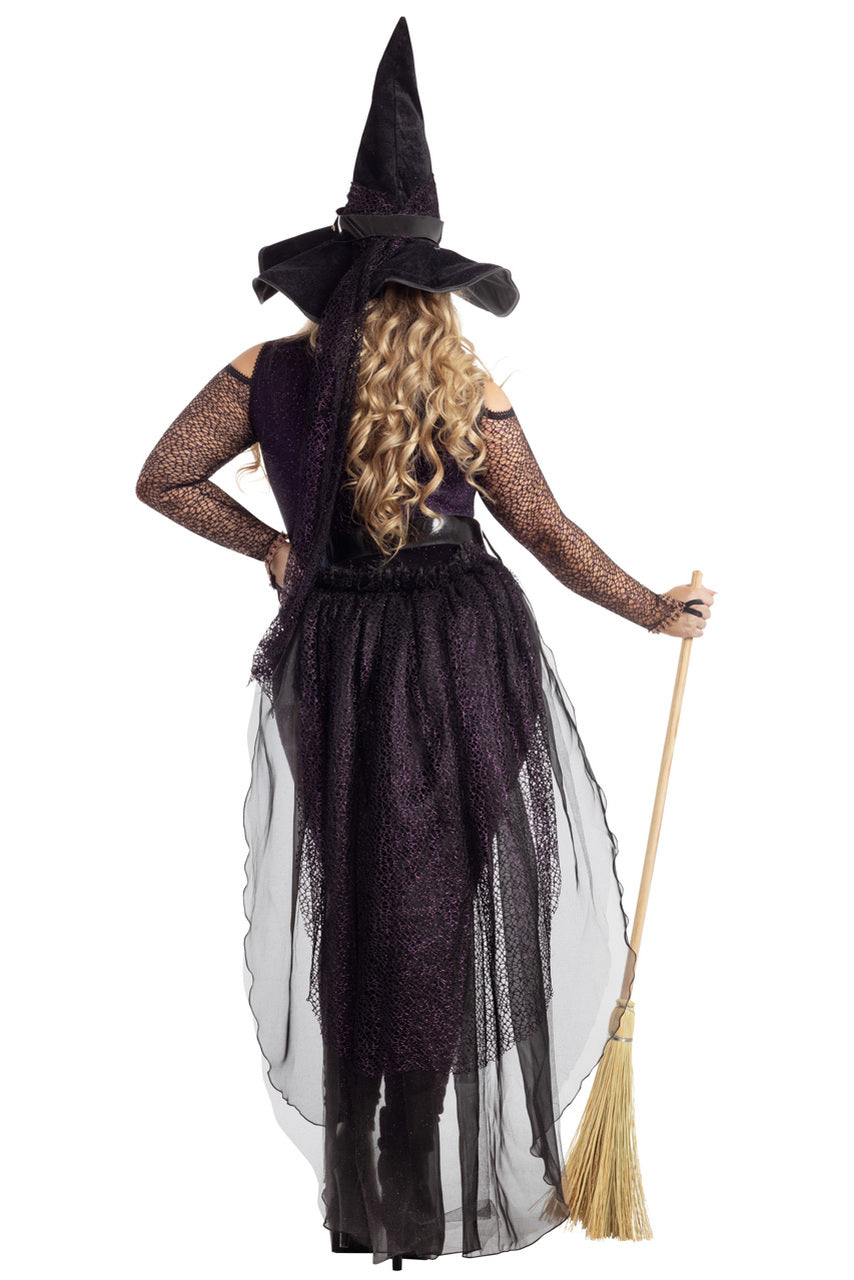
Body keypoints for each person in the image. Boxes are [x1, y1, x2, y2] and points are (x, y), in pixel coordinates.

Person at [135, 16, 714, 1270]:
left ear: (336, 270)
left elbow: (162, 477)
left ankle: (367, 1198)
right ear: (432, 280)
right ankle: (403, 1181)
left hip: (336, 663)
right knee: (432, 917)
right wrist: (649, 607)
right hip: (457, 662)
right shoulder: (460, 383)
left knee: (358, 905)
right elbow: (543, 528)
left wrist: (278, 551)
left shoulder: (267, 370)